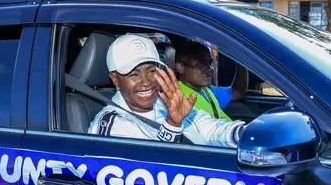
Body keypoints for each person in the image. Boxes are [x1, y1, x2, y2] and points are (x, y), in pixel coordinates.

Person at [87, 34, 245, 147]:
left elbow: (211, 129)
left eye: (152, 71)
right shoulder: (111, 126)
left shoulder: (166, 102)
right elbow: (144, 179)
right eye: (134, 74)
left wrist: (245, 135)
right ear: (115, 80)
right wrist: (172, 125)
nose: (146, 82)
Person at [174, 40, 247, 121]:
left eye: (209, 63)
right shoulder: (176, 98)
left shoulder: (207, 90)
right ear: (181, 67)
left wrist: (242, 60)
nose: (209, 69)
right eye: (200, 64)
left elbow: (237, 92)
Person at [217, 0, 265, 93]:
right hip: (236, 97)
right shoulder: (231, 38)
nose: (256, 17)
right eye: (252, 12)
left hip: (253, 93)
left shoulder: (254, 36)